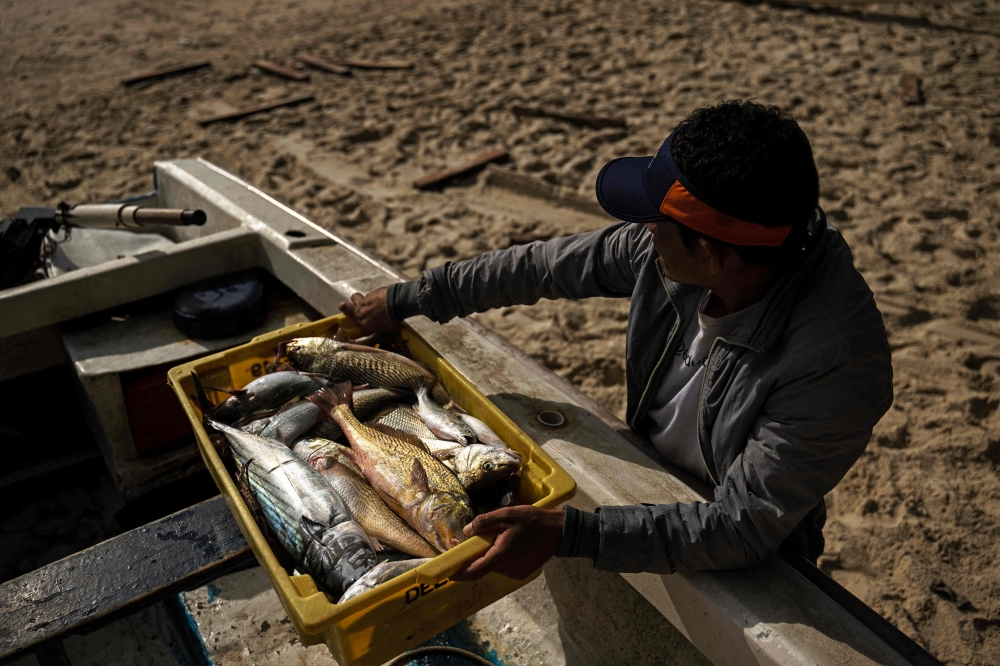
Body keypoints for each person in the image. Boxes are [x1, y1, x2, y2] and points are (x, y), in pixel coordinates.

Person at [340, 100, 893, 581]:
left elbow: (742, 529)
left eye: (657, 220)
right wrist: (408, 298)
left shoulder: (836, 363)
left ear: (710, 253)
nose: (643, 230)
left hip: (745, 548)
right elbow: (540, 268)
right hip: (649, 483)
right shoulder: (682, 253)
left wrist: (570, 534)